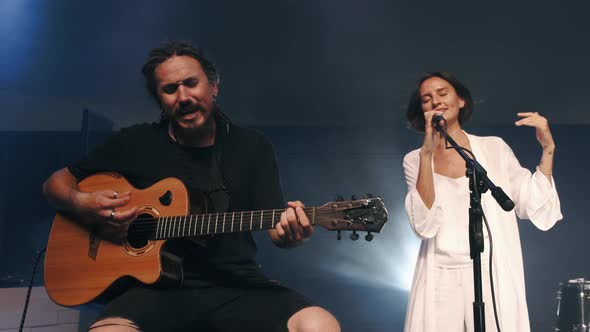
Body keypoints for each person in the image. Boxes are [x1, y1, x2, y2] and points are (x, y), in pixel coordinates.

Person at [42, 41, 340, 332]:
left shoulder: (252, 147)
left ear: (213, 87)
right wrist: (84, 203)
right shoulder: (134, 143)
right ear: (160, 99)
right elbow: (55, 184)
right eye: (170, 89)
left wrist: (293, 233)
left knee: (319, 324)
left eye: (191, 83)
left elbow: (278, 231)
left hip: (237, 285)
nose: (183, 96)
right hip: (154, 292)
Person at [401, 71, 562, 332]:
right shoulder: (415, 159)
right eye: (426, 99)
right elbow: (423, 224)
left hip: (490, 270)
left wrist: (548, 149)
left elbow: (531, 202)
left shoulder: (494, 148)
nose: (436, 101)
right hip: (440, 277)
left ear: (461, 100)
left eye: (443, 93)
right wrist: (427, 153)